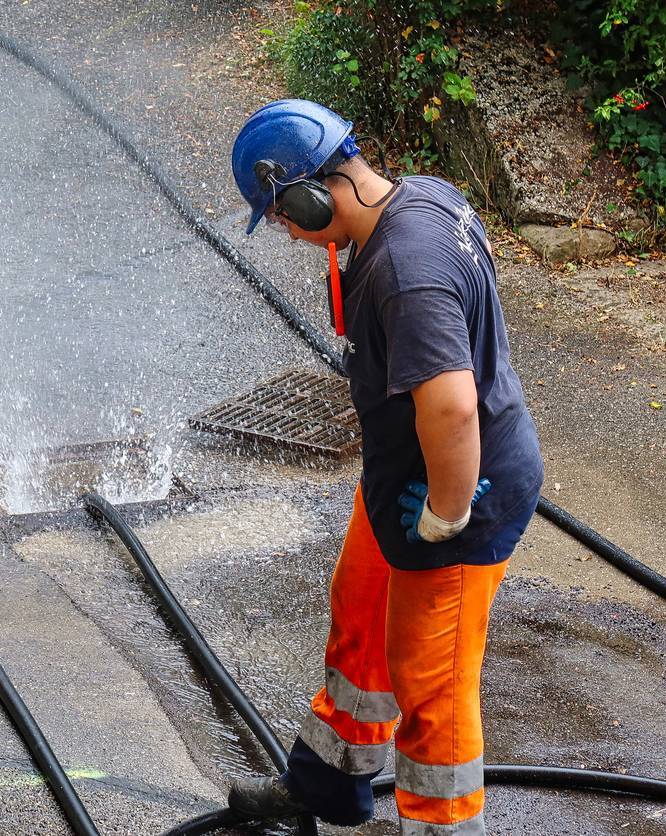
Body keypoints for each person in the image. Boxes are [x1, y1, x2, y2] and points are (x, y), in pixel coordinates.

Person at [226, 99, 543, 835]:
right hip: (408, 479)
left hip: (465, 490)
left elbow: (454, 408)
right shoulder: (425, 195)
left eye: (281, 215)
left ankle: (443, 826)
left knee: (432, 687)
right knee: (361, 610)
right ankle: (331, 781)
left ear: (308, 193)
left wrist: (448, 510)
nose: (289, 231)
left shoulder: (406, 271)